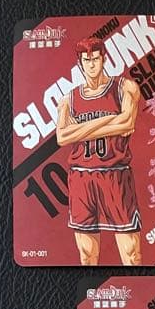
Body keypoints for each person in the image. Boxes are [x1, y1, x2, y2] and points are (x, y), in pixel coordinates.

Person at [56, 37, 142, 265]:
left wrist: (79, 129)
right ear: (80, 63)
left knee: (132, 254)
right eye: (87, 60)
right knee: (87, 255)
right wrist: (109, 120)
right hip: (81, 177)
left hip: (115, 175)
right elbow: (62, 137)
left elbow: (127, 123)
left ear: (104, 59)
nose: (92, 64)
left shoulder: (125, 88)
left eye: (95, 59)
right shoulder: (68, 99)